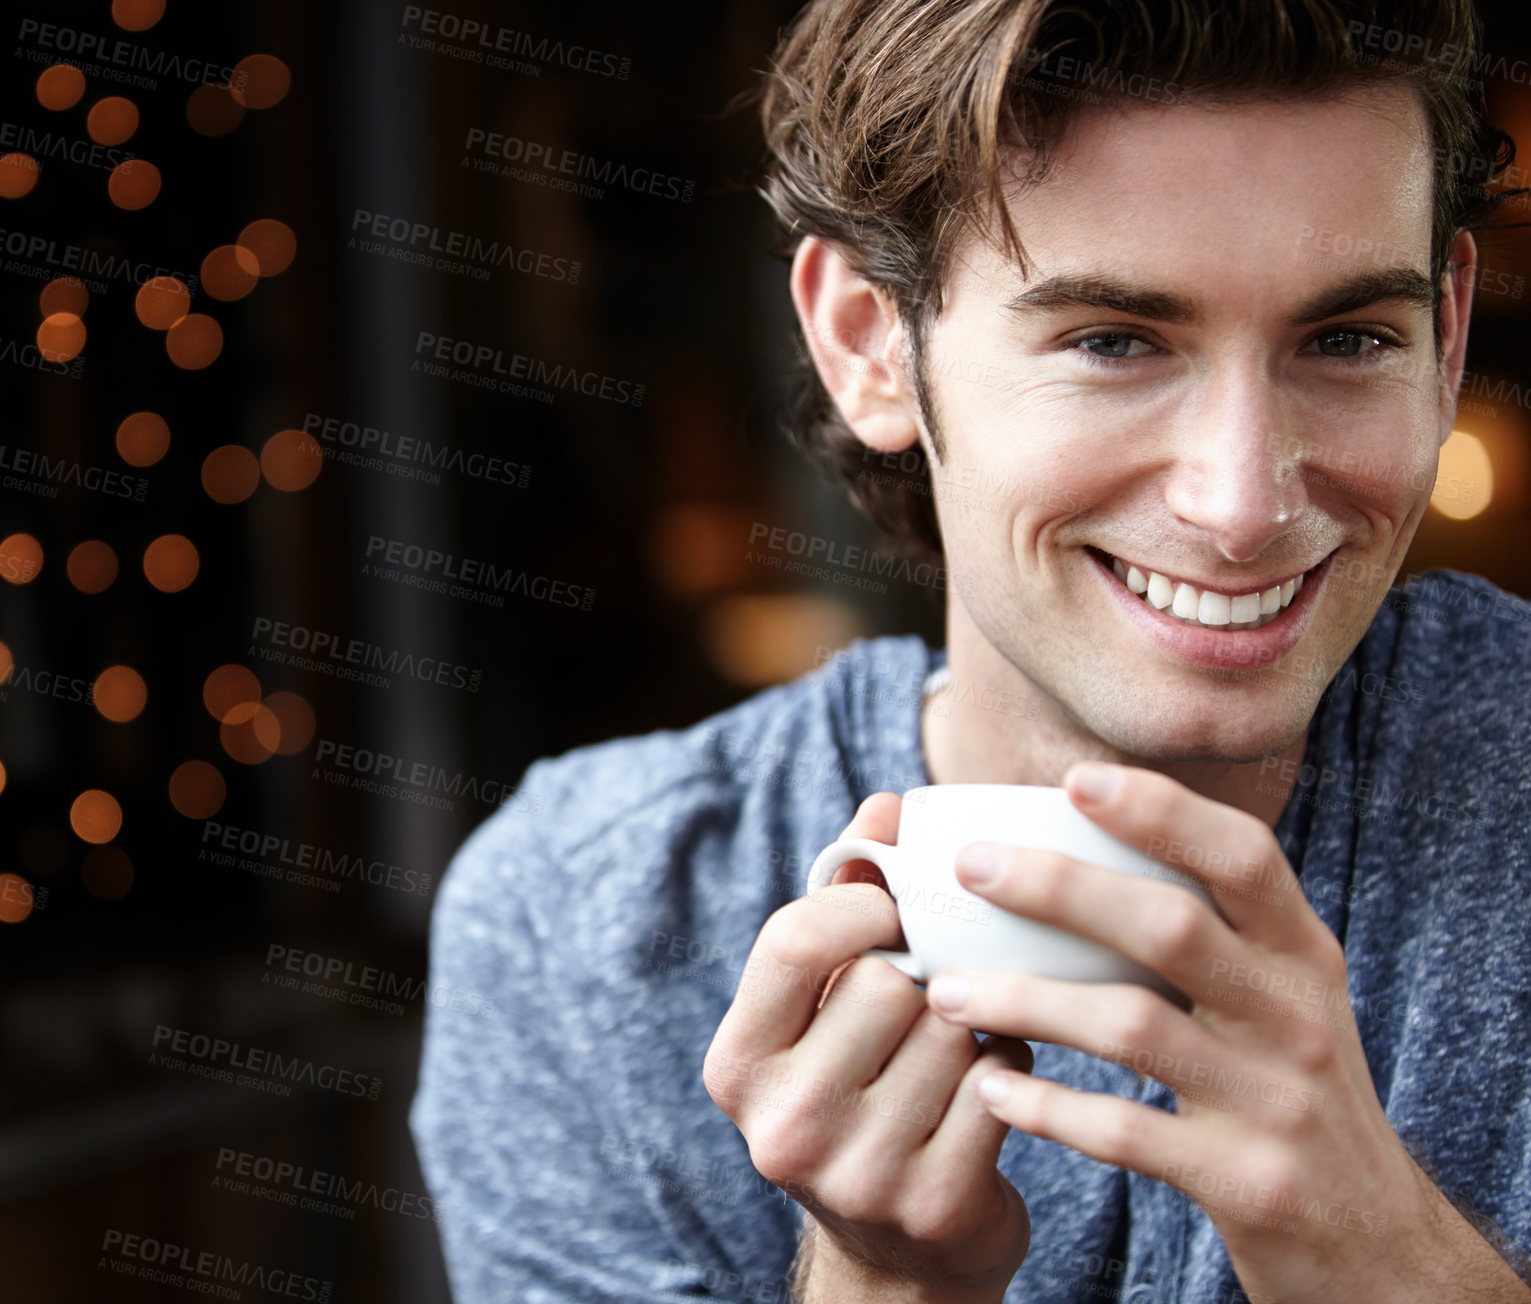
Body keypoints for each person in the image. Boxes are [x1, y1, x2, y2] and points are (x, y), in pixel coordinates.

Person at [410, 2, 1531, 1300]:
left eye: (1346, 340)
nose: (1243, 504)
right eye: (1114, 343)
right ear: (867, 340)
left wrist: (1391, 1267)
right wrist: (881, 1288)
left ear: (1446, 339)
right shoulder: (590, 926)